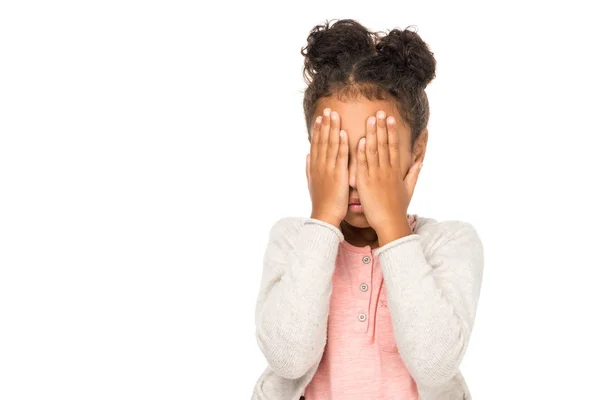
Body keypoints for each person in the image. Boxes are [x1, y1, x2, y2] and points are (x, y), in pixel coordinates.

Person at [251, 19, 484, 400]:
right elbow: (289, 358)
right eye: (338, 153)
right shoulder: (294, 240)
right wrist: (324, 216)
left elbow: (434, 364)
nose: (357, 177)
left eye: (377, 153)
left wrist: (392, 224)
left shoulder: (450, 243)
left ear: (417, 151)